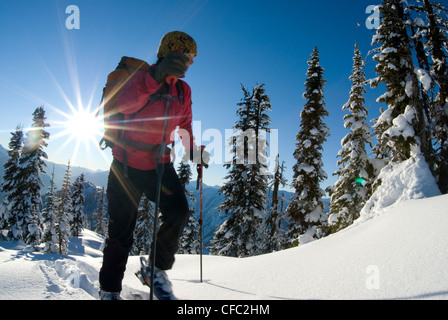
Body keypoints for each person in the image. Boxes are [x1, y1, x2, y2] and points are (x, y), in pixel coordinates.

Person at [99, 31, 209, 300]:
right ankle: (109, 291)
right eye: (190, 56)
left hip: (159, 165)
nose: (192, 63)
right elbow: (123, 106)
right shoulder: (140, 78)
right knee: (121, 233)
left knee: (179, 211)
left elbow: (184, 125)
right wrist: (155, 77)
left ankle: (155, 269)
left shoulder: (184, 90)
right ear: (175, 53)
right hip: (125, 166)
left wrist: (194, 151)